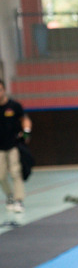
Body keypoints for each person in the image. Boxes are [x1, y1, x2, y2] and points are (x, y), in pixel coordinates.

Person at [0, 79, 31, 214]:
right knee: (0, 176)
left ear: (4, 90)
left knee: (15, 172)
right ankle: (10, 196)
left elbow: (25, 120)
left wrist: (26, 134)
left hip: (13, 146)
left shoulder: (14, 106)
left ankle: (19, 200)